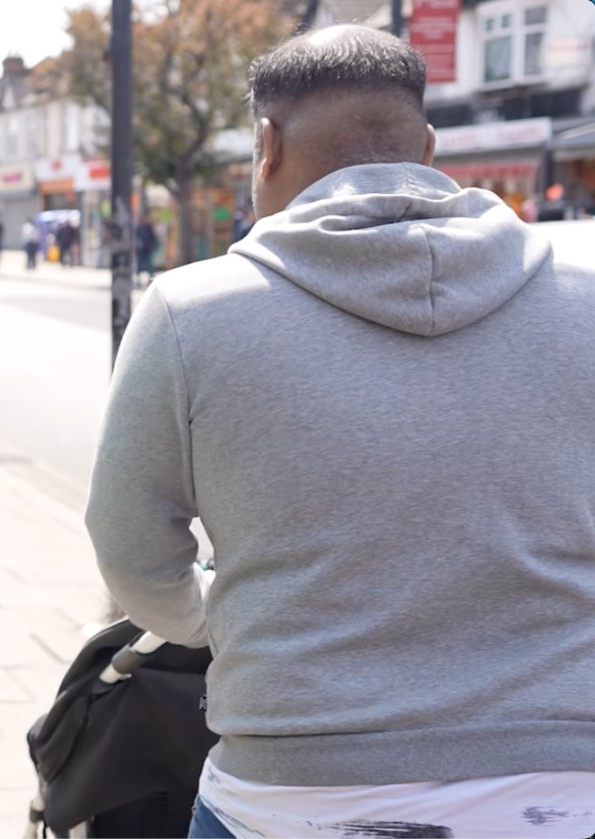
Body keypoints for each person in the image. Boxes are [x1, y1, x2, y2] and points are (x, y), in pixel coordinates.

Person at [86, 26, 595, 839]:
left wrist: (219, 617)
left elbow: (130, 552)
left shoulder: (190, 312)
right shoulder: (583, 297)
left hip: (292, 791)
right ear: (426, 146)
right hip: (562, 786)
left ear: (266, 144)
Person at [134, 219, 158, 284]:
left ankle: (151, 278)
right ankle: (138, 279)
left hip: (147, 249)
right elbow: (136, 238)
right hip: (141, 249)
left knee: (149, 264)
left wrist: (152, 245)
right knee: (140, 265)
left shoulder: (149, 229)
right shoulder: (139, 229)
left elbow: (153, 238)